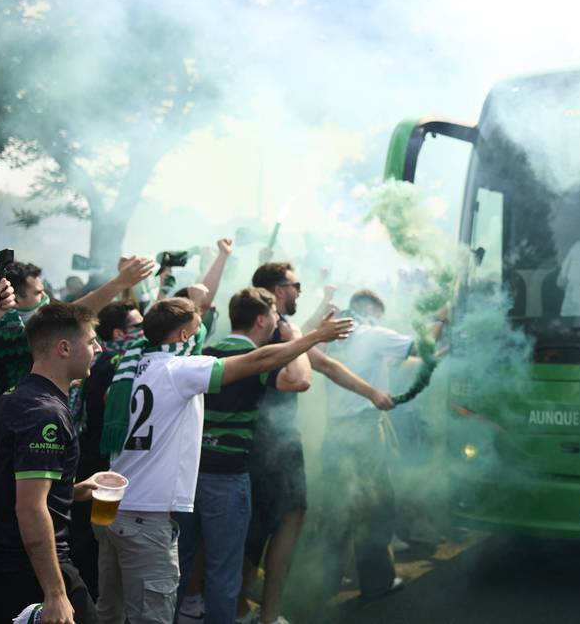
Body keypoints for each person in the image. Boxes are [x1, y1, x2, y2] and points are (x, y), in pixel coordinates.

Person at [94, 297, 353, 624]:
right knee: (151, 615)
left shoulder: (129, 368)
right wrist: (312, 337)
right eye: (197, 325)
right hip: (147, 516)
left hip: (110, 509)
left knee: (112, 613)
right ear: (184, 336)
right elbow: (257, 361)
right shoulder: (180, 369)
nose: (203, 331)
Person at [241, 262, 392, 624]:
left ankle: (249, 609)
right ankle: (260, 612)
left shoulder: (271, 328)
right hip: (269, 444)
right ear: (278, 291)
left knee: (266, 525)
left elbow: (327, 366)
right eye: (295, 285)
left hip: (263, 443)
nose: (299, 291)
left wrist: (372, 392)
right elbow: (311, 374)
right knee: (273, 525)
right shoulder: (279, 330)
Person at [0, 303, 111, 624]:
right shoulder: (44, 413)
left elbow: (12, 487)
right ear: (64, 347)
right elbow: (29, 508)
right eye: (91, 341)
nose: (99, 348)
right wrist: (56, 593)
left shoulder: (14, 396)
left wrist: (71, 491)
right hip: (23, 565)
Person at [176, 288, 304, 624]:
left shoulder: (207, 352)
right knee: (224, 569)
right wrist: (297, 338)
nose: (279, 321)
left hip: (189, 473)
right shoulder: (258, 360)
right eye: (275, 315)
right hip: (228, 475)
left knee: (182, 558)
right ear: (262, 320)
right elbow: (301, 379)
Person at [71, 301, 146, 595]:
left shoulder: (116, 361)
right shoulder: (113, 365)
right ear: (118, 333)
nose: (144, 333)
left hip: (97, 460)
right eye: (137, 327)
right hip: (97, 464)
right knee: (91, 540)